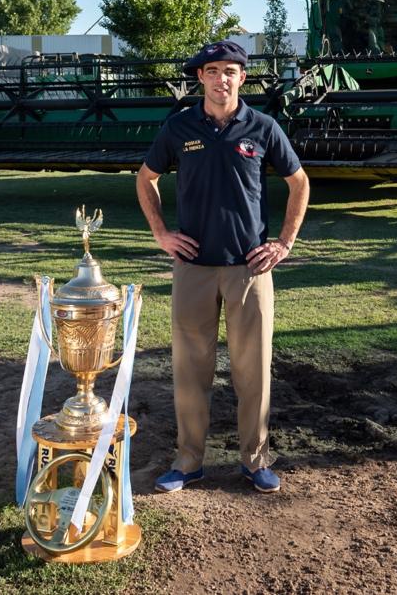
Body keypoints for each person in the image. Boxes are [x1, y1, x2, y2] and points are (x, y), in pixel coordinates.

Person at [135, 40, 310, 494]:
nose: (221, 79)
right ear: (201, 78)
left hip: (249, 270)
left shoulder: (263, 127)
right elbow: (146, 178)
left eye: (229, 71)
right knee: (191, 370)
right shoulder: (178, 128)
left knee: (253, 370)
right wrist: (161, 234)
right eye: (212, 71)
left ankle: (255, 461)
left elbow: (299, 182)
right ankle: (189, 460)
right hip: (193, 268)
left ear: (242, 78)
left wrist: (284, 242)